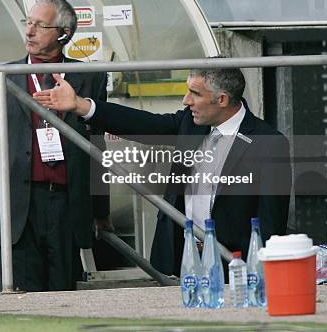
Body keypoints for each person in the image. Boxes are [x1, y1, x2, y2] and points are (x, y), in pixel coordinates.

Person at [34, 65, 291, 277]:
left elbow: (271, 220)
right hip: (178, 257)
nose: (186, 100)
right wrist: (82, 106)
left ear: (221, 99)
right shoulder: (191, 123)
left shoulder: (268, 142)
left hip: (233, 265)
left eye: (194, 94)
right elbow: (145, 125)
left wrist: (263, 273)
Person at [0, 0, 111, 291]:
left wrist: (100, 209)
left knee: (64, 293)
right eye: (28, 23)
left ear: (63, 34)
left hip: (66, 202)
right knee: (20, 293)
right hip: (17, 203)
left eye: (40, 25)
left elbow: (97, 146)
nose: (29, 32)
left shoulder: (89, 77)